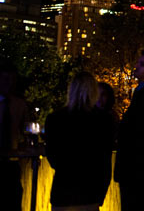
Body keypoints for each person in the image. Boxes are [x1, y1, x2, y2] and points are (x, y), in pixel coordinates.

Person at [45, 71, 114, 211]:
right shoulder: (104, 120)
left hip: (63, 189)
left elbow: (52, 157)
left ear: (71, 90)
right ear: (94, 92)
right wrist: (101, 194)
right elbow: (105, 161)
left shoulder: (55, 118)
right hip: (90, 191)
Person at [114, 49, 144, 211]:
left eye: (142, 64)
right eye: (138, 63)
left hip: (135, 167)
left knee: (133, 204)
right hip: (138, 167)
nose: (136, 66)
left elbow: (139, 131)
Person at [0, 62, 28, 211]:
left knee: (14, 200)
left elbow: (25, 130)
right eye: (5, 79)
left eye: (12, 80)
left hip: (12, 163)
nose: (9, 84)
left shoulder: (19, 104)